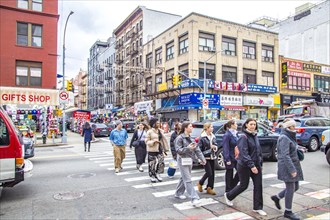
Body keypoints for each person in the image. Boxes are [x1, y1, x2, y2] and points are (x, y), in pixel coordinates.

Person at [224, 118, 267, 216]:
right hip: (244, 165)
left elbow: (258, 151)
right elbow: (243, 153)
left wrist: (260, 163)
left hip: (256, 164)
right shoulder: (243, 136)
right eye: (251, 124)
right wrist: (251, 165)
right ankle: (229, 195)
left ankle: (258, 207)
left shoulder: (255, 135)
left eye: (254, 124)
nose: (253, 126)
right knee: (244, 185)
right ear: (246, 125)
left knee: (258, 185)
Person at [270, 118, 304, 220]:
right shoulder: (284, 137)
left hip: (293, 165)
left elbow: (291, 149)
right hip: (288, 167)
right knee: (290, 188)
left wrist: (299, 149)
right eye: (293, 126)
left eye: (294, 126)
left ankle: (277, 197)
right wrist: (292, 170)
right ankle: (288, 211)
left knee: (296, 187)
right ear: (288, 127)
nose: (295, 128)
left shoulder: (290, 136)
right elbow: (285, 155)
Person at [174, 121, 206, 206]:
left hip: (189, 160)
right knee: (188, 179)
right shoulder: (180, 138)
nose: (192, 128)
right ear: (185, 128)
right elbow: (178, 151)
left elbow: (197, 150)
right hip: (182, 160)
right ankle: (194, 198)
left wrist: (202, 159)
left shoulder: (191, 139)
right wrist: (187, 148)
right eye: (190, 126)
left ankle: (178, 193)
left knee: (183, 177)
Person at [145, 118, 169, 183]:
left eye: (159, 123)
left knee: (161, 161)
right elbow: (146, 141)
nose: (159, 124)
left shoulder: (160, 131)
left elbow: (163, 140)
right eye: (157, 123)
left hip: (160, 149)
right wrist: (153, 142)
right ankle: (152, 175)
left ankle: (158, 173)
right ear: (153, 124)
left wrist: (165, 148)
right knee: (152, 163)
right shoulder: (149, 131)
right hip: (152, 149)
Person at [197, 122, 218, 195]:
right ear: (207, 128)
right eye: (211, 127)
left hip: (212, 156)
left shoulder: (213, 136)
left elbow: (216, 145)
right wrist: (210, 149)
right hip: (205, 157)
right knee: (209, 172)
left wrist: (215, 147)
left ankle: (210, 187)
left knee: (212, 173)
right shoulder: (202, 137)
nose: (212, 128)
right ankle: (200, 182)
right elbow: (199, 149)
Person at [222, 120, 239, 193]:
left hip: (236, 157)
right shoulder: (227, 135)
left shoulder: (236, 134)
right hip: (230, 157)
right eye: (235, 124)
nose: (237, 125)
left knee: (240, 172)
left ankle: (232, 186)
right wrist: (227, 159)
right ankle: (228, 189)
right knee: (229, 173)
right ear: (231, 125)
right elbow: (225, 147)